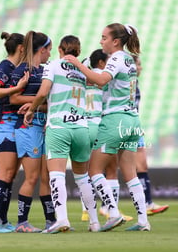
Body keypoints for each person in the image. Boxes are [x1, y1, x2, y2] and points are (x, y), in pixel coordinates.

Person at [64, 23, 151, 231]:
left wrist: (78, 64)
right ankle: (143, 221)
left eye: (104, 37)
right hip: (132, 120)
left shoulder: (117, 58)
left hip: (115, 119)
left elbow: (102, 80)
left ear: (116, 41)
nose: (101, 41)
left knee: (94, 170)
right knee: (130, 173)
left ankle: (113, 213)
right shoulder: (130, 60)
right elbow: (110, 84)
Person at [23, 35, 100, 233]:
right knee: (83, 177)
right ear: (78, 51)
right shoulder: (83, 70)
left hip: (58, 126)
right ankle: (94, 222)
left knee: (56, 176)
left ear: (59, 49)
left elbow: (43, 92)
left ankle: (62, 219)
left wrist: (32, 109)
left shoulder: (53, 66)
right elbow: (98, 84)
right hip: (82, 127)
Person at [9, 30, 55, 233]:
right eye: (49, 50)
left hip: (45, 125)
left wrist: (36, 106)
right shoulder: (23, 70)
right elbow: (14, 99)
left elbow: (48, 103)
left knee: (47, 177)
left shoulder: (46, 70)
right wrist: (34, 105)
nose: (50, 55)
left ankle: (51, 221)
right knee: (32, 177)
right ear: (42, 49)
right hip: (28, 127)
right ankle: (21, 222)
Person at [80, 49, 133, 223]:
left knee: (84, 172)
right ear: (102, 63)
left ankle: (87, 212)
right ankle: (112, 210)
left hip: (81, 125)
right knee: (110, 169)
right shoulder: (104, 78)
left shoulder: (81, 76)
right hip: (100, 124)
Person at [0, 32, 29, 233]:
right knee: (5, 172)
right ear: (21, 48)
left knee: (10, 175)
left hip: (14, 125)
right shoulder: (4, 67)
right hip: (4, 124)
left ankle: (2, 220)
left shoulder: (18, 68)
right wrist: (17, 88)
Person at [132, 55, 169, 216]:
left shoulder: (135, 83)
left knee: (142, 165)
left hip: (134, 127)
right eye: (138, 64)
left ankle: (147, 203)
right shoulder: (120, 83)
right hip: (120, 126)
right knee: (109, 168)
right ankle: (103, 207)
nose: (141, 67)